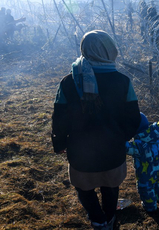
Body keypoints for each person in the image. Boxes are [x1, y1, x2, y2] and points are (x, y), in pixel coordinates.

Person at [51, 30, 141, 229]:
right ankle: (109, 218)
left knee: (84, 189)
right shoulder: (123, 81)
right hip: (113, 152)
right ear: (109, 51)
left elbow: (59, 118)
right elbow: (133, 118)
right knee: (111, 187)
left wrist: (59, 143)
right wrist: (121, 137)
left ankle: (97, 219)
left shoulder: (68, 82)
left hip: (80, 154)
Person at [125, 113, 159, 212]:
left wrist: (120, 136)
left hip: (147, 172)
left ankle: (150, 207)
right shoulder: (157, 136)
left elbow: (126, 148)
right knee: (157, 182)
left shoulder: (140, 144)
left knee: (146, 188)